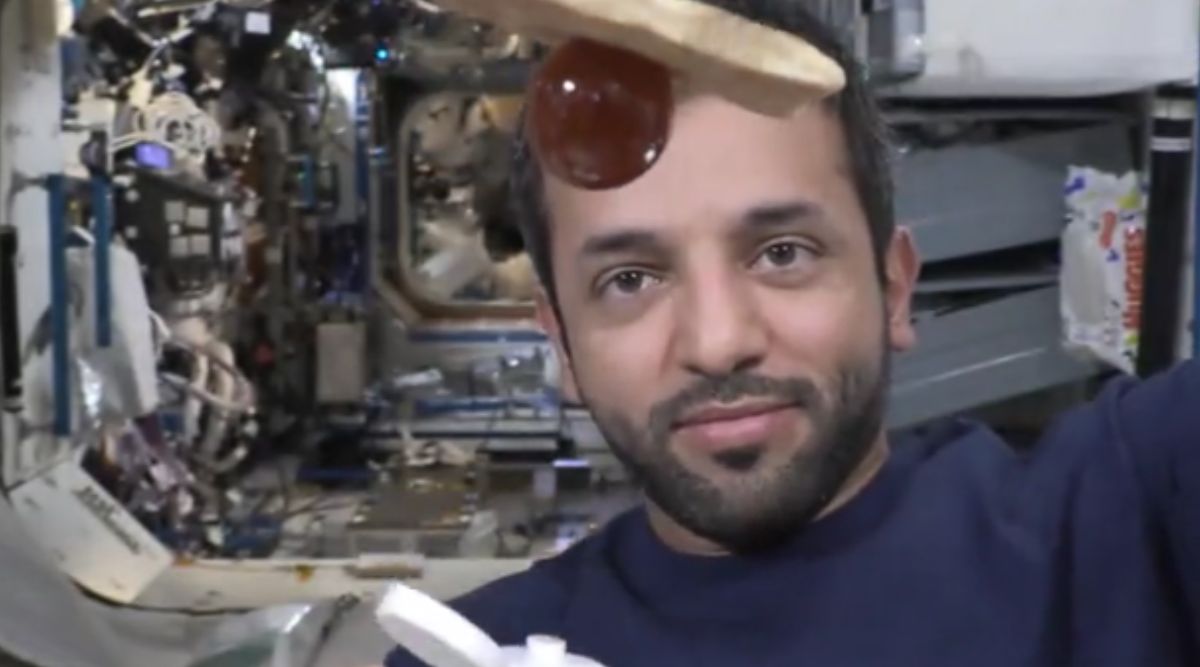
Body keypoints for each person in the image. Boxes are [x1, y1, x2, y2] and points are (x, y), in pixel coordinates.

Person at [387, 2, 1200, 665]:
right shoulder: (467, 653)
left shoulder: (1129, 509)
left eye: (782, 253)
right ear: (561, 342)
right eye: (628, 279)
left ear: (891, 287)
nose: (716, 339)